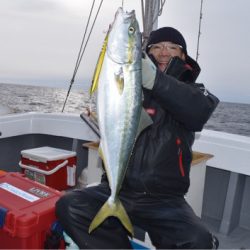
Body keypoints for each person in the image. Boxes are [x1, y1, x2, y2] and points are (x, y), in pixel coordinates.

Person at [56, 27, 220, 249]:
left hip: (165, 200)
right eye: (157, 47)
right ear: (147, 53)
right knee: (69, 205)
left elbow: (198, 112)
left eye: (173, 47)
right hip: (118, 188)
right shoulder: (131, 85)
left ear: (183, 56)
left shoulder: (195, 91)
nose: (164, 52)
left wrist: (156, 81)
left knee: (198, 240)